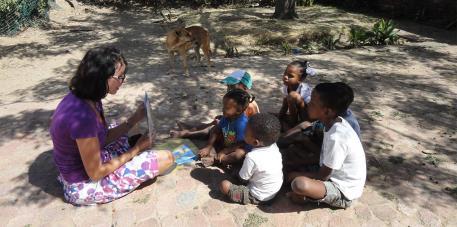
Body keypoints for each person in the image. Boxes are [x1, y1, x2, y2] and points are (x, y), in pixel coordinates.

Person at [50, 46, 174, 205]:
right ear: (101, 77)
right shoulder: (83, 117)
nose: (123, 81)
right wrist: (136, 150)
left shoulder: (89, 97)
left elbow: (104, 136)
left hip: (91, 161)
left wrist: (134, 119)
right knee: (166, 158)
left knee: (128, 129)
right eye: (120, 77)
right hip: (83, 184)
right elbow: (96, 173)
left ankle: (133, 149)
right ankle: (135, 153)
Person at [286, 82, 366, 209]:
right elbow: (324, 157)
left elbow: (323, 176)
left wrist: (296, 174)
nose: (308, 105)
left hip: (343, 190)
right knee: (290, 161)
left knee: (299, 184)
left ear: (327, 111)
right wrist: (298, 163)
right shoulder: (331, 123)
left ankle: (306, 197)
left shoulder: (337, 136)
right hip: (330, 173)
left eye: (312, 103)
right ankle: (304, 190)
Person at [170, 69, 259, 139]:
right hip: (235, 124)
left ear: (244, 87)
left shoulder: (247, 104)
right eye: (228, 86)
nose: (229, 88)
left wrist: (223, 120)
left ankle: (188, 133)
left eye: (232, 86)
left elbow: (243, 122)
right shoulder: (239, 99)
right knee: (215, 122)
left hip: (242, 132)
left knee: (214, 127)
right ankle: (192, 128)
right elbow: (235, 115)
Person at [219, 113, 283, 205]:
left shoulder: (252, 157)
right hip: (274, 190)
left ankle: (246, 198)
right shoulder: (273, 146)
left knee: (224, 185)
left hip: (258, 196)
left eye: (245, 132)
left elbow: (243, 179)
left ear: (255, 142)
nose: (243, 132)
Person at [198, 88, 252, 166]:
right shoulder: (227, 117)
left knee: (238, 155)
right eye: (223, 106)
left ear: (239, 111)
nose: (223, 110)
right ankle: (189, 133)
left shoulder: (242, 124)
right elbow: (216, 129)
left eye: (226, 108)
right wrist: (208, 146)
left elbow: (242, 143)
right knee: (213, 128)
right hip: (228, 140)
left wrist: (224, 151)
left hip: (238, 147)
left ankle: (216, 160)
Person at [278, 61, 316, 132]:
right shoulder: (285, 87)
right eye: (285, 73)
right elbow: (284, 106)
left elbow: (311, 109)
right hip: (298, 116)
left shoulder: (305, 90)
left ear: (301, 79)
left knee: (293, 95)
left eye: (290, 76)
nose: (285, 77)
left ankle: (294, 125)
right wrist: (279, 118)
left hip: (308, 117)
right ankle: (293, 124)